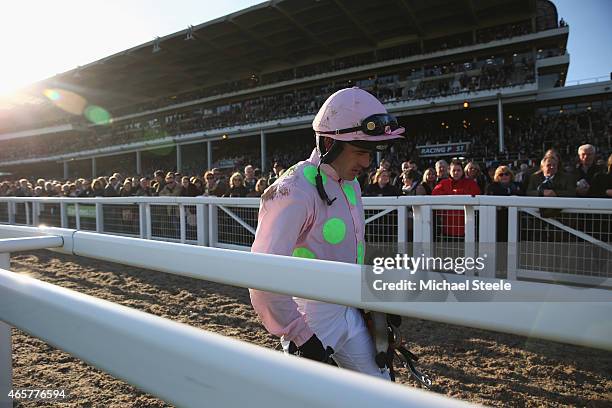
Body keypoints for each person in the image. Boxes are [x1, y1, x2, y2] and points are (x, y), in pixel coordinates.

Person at [249, 87, 405, 380]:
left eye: (371, 153)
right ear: (330, 143)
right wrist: (301, 336)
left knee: (383, 390)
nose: (367, 163)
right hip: (312, 319)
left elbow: (352, 252)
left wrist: (368, 302)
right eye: (361, 152)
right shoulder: (291, 190)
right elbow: (261, 278)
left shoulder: (351, 184)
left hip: (349, 310)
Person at [432, 159, 480, 237]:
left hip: (467, 226)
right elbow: (435, 193)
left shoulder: (471, 183)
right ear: (449, 171)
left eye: (458, 170)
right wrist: (458, 193)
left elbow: (476, 194)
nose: (456, 173)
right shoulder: (443, 183)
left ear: (462, 171)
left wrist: (452, 193)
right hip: (447, 226)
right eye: (454, 170)